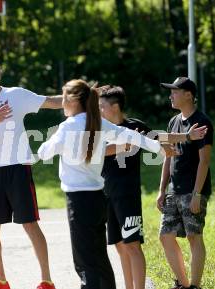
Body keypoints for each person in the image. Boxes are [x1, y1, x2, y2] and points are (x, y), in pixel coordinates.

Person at [37, 79, 177, 289]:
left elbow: (43, 152)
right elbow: (131, 135)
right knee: (100, 257)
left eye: (65, 97)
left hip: (78, 201)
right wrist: (158, 148)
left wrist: (58, 145)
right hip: (97, 199)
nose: (62, 102)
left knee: (84, 261)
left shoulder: (68, 127)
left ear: (74, 100)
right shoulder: (98, 123)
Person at [98, 85, 207, 289]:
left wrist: (187, 137)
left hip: (127, 194)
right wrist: (125, 145)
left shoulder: (134, 126)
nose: (99, 110)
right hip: (106, 194)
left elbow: (161, 137)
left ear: (114, 107)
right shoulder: (102, 129)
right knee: (120, 246)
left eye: (101, 106)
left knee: (132, 245)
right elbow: (95, 151)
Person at [0, 56, 62, 289]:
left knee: (30, 223)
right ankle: (1, 280)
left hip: (18, 167)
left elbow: (52, 101)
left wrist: (83, 95)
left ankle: (46, 281)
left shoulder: (16, 95)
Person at [158, 77, 213, 289]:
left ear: (188, 95)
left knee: (193, 236)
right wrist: (162, 189)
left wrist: (197, 194)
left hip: (193, 190)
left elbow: (205, 160)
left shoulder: (202, 122)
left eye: (175, 91)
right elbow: (167, 156)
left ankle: (195, 286)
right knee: (165, 236)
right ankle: (182, 283)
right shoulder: (174, 122)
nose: (171, 95)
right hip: (174, 190)